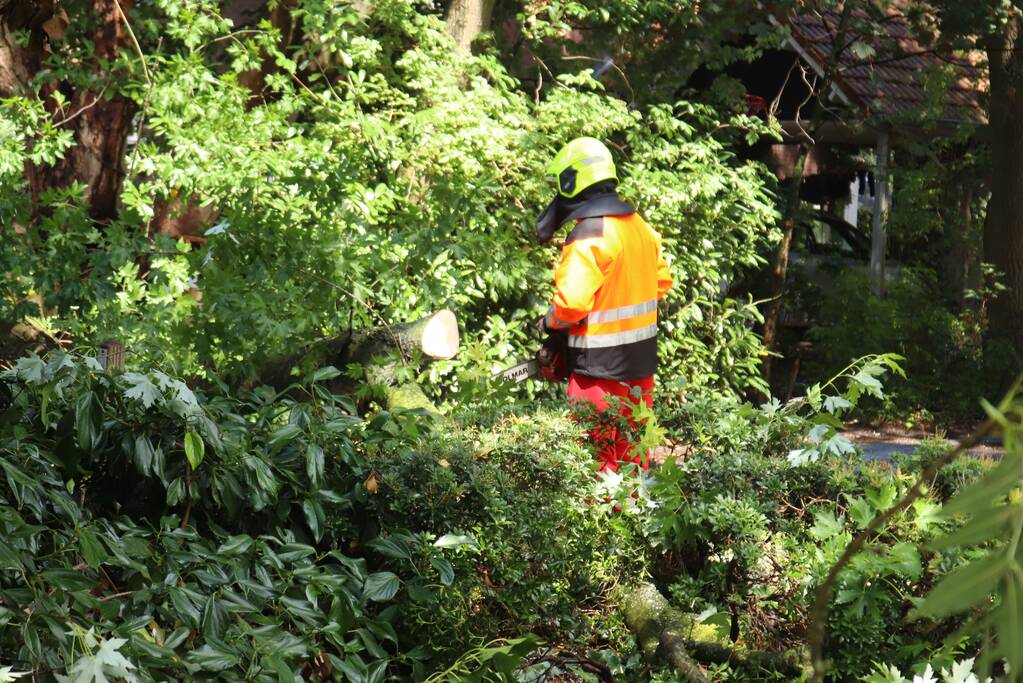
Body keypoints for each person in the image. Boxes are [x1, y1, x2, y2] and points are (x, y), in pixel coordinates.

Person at [535, 137, 673, 473]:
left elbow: (571, 305)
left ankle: (594, 525)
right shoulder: (641, 228)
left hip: (596, 372)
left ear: (570, 182)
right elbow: (661, 283)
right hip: (639, 368)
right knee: (631, 459)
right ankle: (632, 523)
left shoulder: (589, 234)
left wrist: (547, 325)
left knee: (593, 462)